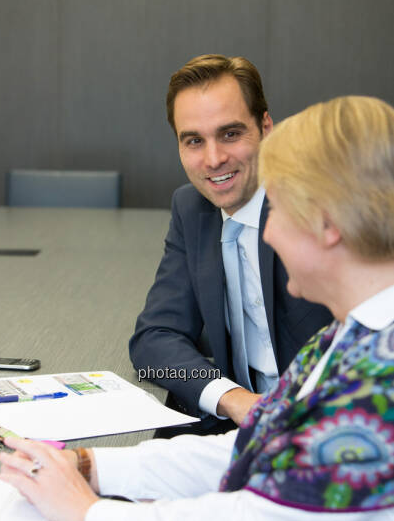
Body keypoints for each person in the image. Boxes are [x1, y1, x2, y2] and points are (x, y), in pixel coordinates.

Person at [0, 95, 394, 521]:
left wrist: (87, 512)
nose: (266, 230)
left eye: (280, 209)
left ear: (327, 224)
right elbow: (254, 445)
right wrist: (92, 467)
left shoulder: (376, 380)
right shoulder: (349, 337)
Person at [129, 54, 331, 435]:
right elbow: (152, 341)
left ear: (267, 128)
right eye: (193, 141)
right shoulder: (192, 209)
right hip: (234, 427)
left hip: (325, 434)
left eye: (230, 134)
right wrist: (231, 397)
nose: (214, 159)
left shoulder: (318, 207)